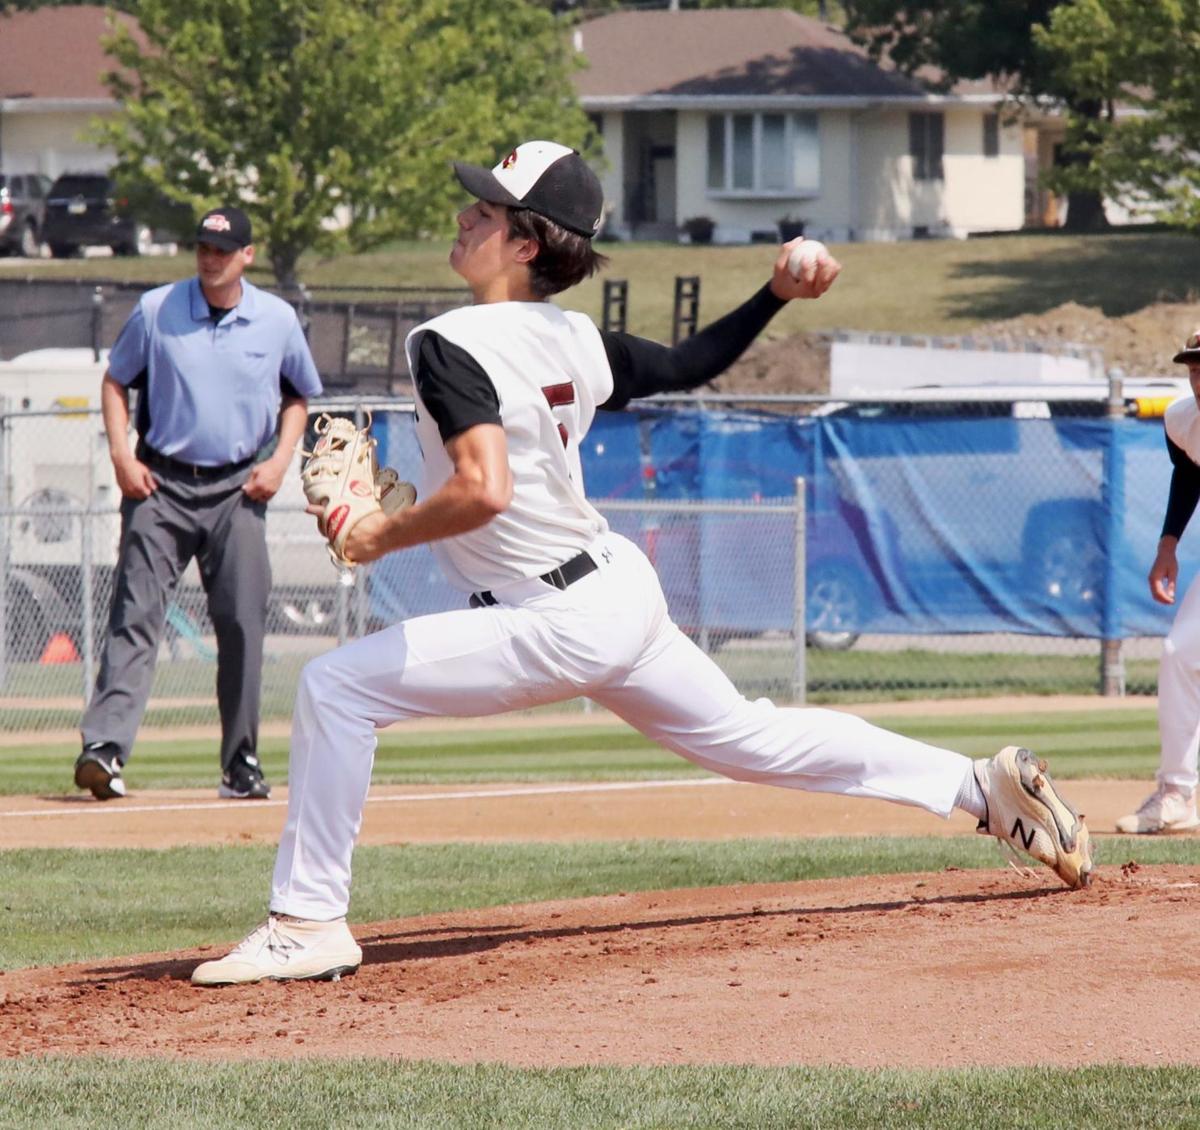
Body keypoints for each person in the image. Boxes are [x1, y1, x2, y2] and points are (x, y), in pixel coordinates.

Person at [191, 141, 1092, 986]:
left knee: (335, 689)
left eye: (487, 211)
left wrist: (375, 537)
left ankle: (309, 923)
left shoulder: (447, 341)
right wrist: (773, 293)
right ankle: (978, 786)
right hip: (611, 590)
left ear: (527, 243)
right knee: (752, 737)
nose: (465, 217)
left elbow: (485, 489)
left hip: (552, 616)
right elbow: (690, 363)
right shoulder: (574, 339)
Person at [73, 206, 323, 803]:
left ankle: (241, 762)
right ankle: (104, 749)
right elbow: (115, 380)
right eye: (204, 247)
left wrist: (280, 462)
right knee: (135, 616)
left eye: (223, 249)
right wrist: (121, 455)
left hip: (238, 488)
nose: (211, 258)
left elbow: (299, 396)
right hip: (158, 484)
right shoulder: (157, 309)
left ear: (247, 256)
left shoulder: (276, 319)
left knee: (241, 623)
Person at [1117, 332, 1200, 834]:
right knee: (1179, 653)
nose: (1199, 378)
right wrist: (1168, 545)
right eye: (1194, 368)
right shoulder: (1182, 420)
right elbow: (1190, 476)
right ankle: (1176, 794)